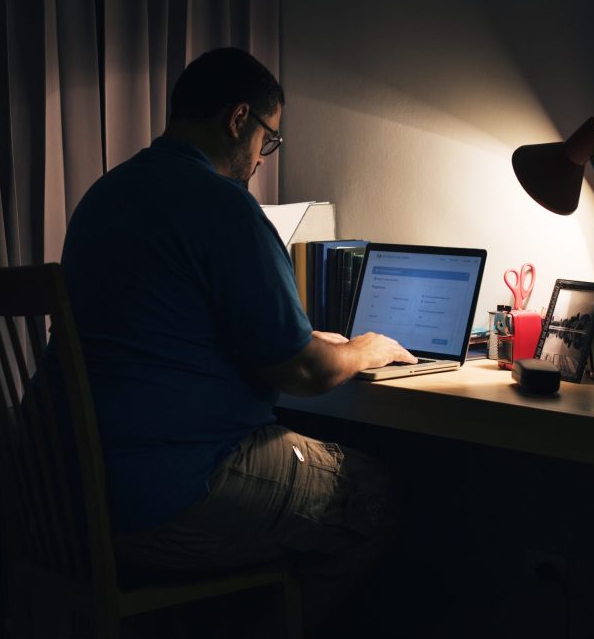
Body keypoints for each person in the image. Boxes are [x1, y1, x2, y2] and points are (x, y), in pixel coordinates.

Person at [56, 47, 417, 633]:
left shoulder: (108, 195)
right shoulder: (222, 206)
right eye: (267, 139)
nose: (259, 159)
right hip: (166, 493)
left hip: (70, 489)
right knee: (372, 495)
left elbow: (169, 333)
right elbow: (301, 373)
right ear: (238, 119)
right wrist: (362, 349)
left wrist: (306, 337)